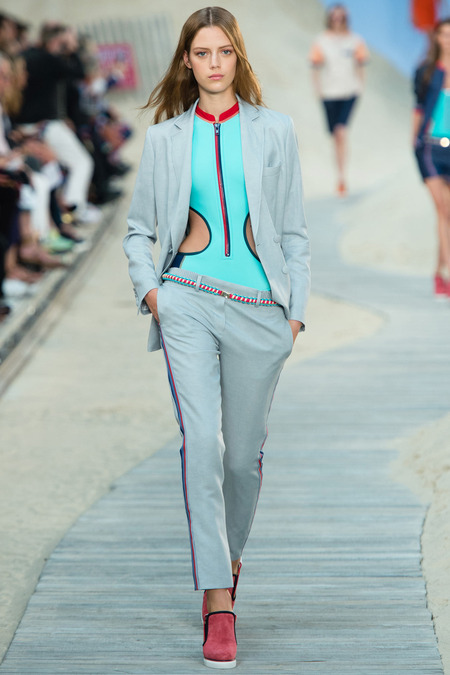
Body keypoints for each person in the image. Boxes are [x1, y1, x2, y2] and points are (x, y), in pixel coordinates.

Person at [123, 6, 310, 668]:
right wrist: (154, 294)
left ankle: (225, 558)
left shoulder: (275, 130)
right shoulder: (165, 139)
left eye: (223, 51)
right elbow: (140, 230)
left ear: (238, 57)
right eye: (202, 53)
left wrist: (295, 315)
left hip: (261, 311)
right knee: (202, 444)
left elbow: (293, 230)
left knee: (241, 460)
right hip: (188, 303)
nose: (213, 63)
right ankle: (219, 598)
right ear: (187, 61)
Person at [309, 3, 369, 196]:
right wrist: (318, 90)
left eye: (341, 17)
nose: (337, 21)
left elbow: (361, 64)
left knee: (341, 131)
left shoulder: (355, 40)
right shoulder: (321, 41)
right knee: (335, 136)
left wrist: (360, 87)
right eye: (334, 17)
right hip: (329, 93)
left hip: (349, 92)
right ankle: (339, 174)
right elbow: (315, 67)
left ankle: (342, 178)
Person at [413, 18, 450, 300]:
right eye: (444, 34)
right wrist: (414, 142)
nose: (448, 39)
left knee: (447, 214)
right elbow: (418, 108)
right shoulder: (427, 71)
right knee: (442, 210)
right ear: (436, 38)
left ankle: (439, 273)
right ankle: (447, 273)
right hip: (430, 148)